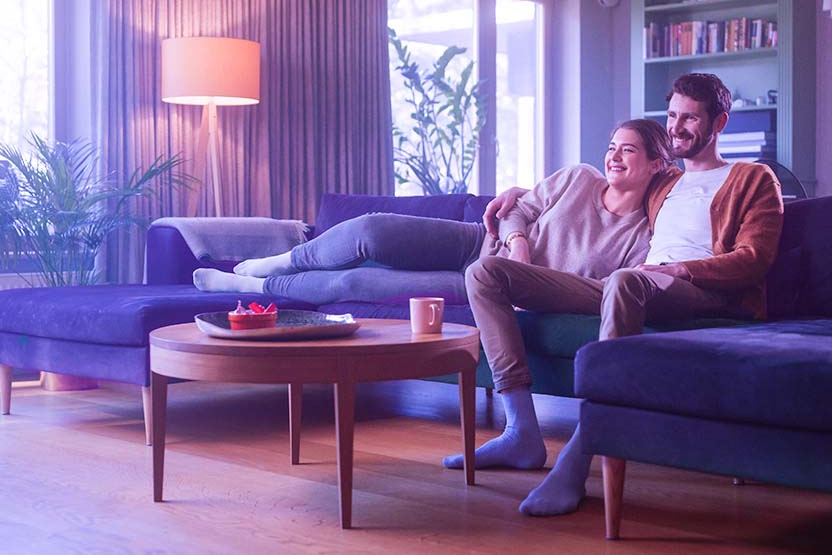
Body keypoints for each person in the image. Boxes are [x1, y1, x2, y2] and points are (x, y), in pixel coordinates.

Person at [455, 73, 783, 517]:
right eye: (672, 115)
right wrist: (520, 193)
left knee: (628, 279)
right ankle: (521, 430)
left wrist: (681, 268)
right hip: (629, 286)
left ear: (718, 122)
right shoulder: (663, 182)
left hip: (701, 290)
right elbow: (611, 177)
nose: (677, 126)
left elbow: (754, 258)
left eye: (691, 118)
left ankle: (579, 453)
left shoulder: (752, 178)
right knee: (484, 273)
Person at [192, 119, 671, 314]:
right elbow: (516, 209)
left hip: (485, 283)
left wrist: (523, 275)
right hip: (475, 242)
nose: (614, 157)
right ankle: (281, 261)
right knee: (371, 229)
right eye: (612, 147)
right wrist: (518, 241)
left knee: (354, 286)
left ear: (656, 165)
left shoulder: (641, 238)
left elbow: (594, 289)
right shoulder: (579, 177)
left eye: (628, 151)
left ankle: (254, 289)